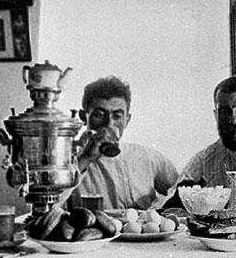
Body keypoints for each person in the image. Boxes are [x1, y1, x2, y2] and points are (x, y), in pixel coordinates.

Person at [75, 76, 178, 210]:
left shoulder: (149, 158)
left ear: (127, 120)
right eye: (100, 114)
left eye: (117, 116)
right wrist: (84, 160)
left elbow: (181, 197)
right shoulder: (67, 164)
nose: (109, 124)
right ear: (84, 116)